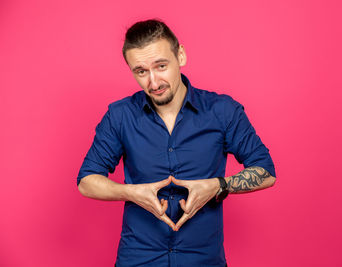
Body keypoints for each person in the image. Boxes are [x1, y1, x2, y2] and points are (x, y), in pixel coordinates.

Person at [77, 19, 276, 267]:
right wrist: (130, 192)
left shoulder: (223, 111)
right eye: (141, 71)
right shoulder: (120, 116)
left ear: (180, 55)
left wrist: (218, 186)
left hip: (203, 260)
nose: (154, 82)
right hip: (138, 258)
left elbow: (266, 171)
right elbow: (86, 182)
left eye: (161, 66)